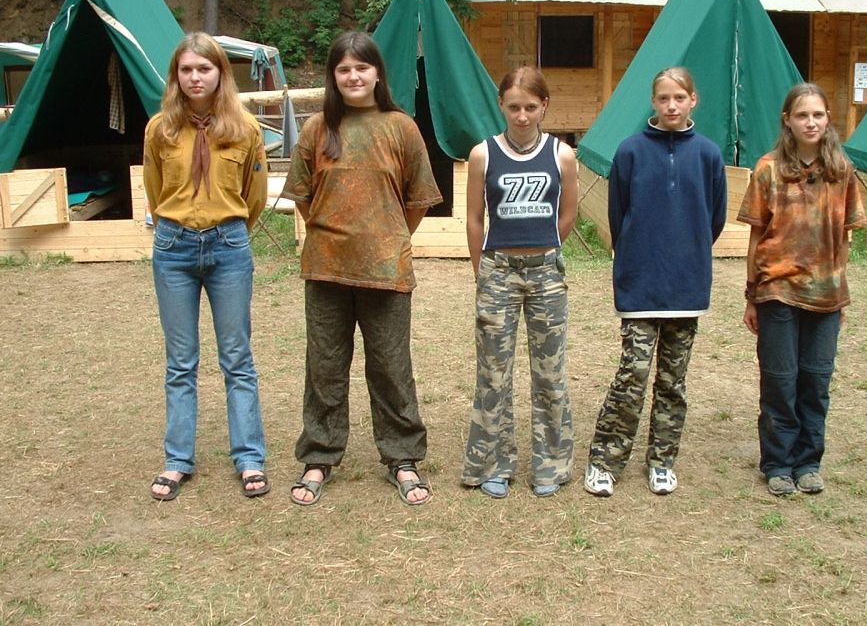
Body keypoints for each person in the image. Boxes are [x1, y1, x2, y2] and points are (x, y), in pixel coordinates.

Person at [281, 32, 442, 507]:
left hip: (387, 270)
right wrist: (333, 233)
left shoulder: (401, 127)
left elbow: (418, 199)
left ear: (377, 73)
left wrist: (388, 236)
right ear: (333, 77)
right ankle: (319, 456)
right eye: (344, 69)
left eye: (362, 67)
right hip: (326, 269)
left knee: (391, 368)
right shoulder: (317, 129)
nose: (353, 76)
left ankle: (403, 457)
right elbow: (305, 197)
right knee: (325, 368)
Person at [585, 67, 726, 498]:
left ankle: (662, 461)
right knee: (633, 373)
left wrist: (688, 252)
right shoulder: (629, 151)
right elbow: (618, 215)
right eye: (663, 98)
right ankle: (605, 461)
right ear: (653, 101)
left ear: (693, 100)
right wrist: (634, 257)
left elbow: (714, 219)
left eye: (679, 98)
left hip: (686, 286)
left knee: (672, 380)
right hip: (640, 286)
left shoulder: (708, 154)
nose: (671, 106)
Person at [144, 32, 270, 501]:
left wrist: (228, 229)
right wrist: (174, 226)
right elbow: (154, 189)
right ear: (175, 76)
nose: (195, 78)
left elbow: (255, 195)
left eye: (204, 68)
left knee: (237, 358)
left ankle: (249, 457)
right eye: (186, 69)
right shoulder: (160, 129)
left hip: (228, 247)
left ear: (221, 73)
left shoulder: (245, 128)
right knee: (181, 361)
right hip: (173, 247)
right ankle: (177, 459)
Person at [738, 83, 866, 496]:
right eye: (802, 115)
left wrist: (840, 293)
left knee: (816, 381)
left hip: (826, 294)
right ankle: (777, 463)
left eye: (818, 115)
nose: (811, 122)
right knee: (780, 381)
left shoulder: (841, 171)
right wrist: (751, 294)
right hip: (777, 290)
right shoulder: (768, 169)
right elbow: (756, 236)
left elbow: (844, 237)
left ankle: (808, 462)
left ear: (828, 119)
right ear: (787, 120)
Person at [461, 66, 578, 499]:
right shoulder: (483, 154)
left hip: (546, 274)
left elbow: (567, 215)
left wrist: (544, 249)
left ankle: (550, 464)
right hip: (498, 273)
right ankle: (493, 463)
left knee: (550, 373)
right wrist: (483, 270)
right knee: (493, 373)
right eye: (514, 107)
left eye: (530, 107)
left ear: (544, 105)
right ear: (501, 106)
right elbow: (474, 218)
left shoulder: (562, 155)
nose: (522, 116)